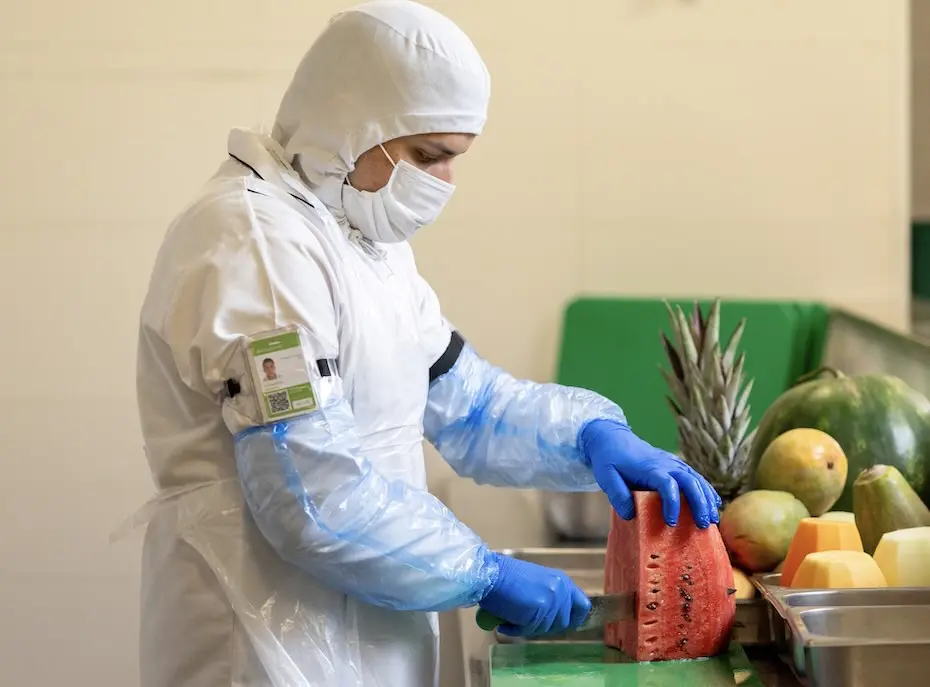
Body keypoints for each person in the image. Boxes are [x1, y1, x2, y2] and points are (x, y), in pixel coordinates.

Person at [134, 2, 721, 686]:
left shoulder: (361, 243)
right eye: (427, 155)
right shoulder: (257, 245)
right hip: (262, 646)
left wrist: (590, 434)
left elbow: (469, 403)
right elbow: (310, 494)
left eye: (454, 158)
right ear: (352, 125)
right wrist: (481, 571)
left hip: (364, 635)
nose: (443, 183)